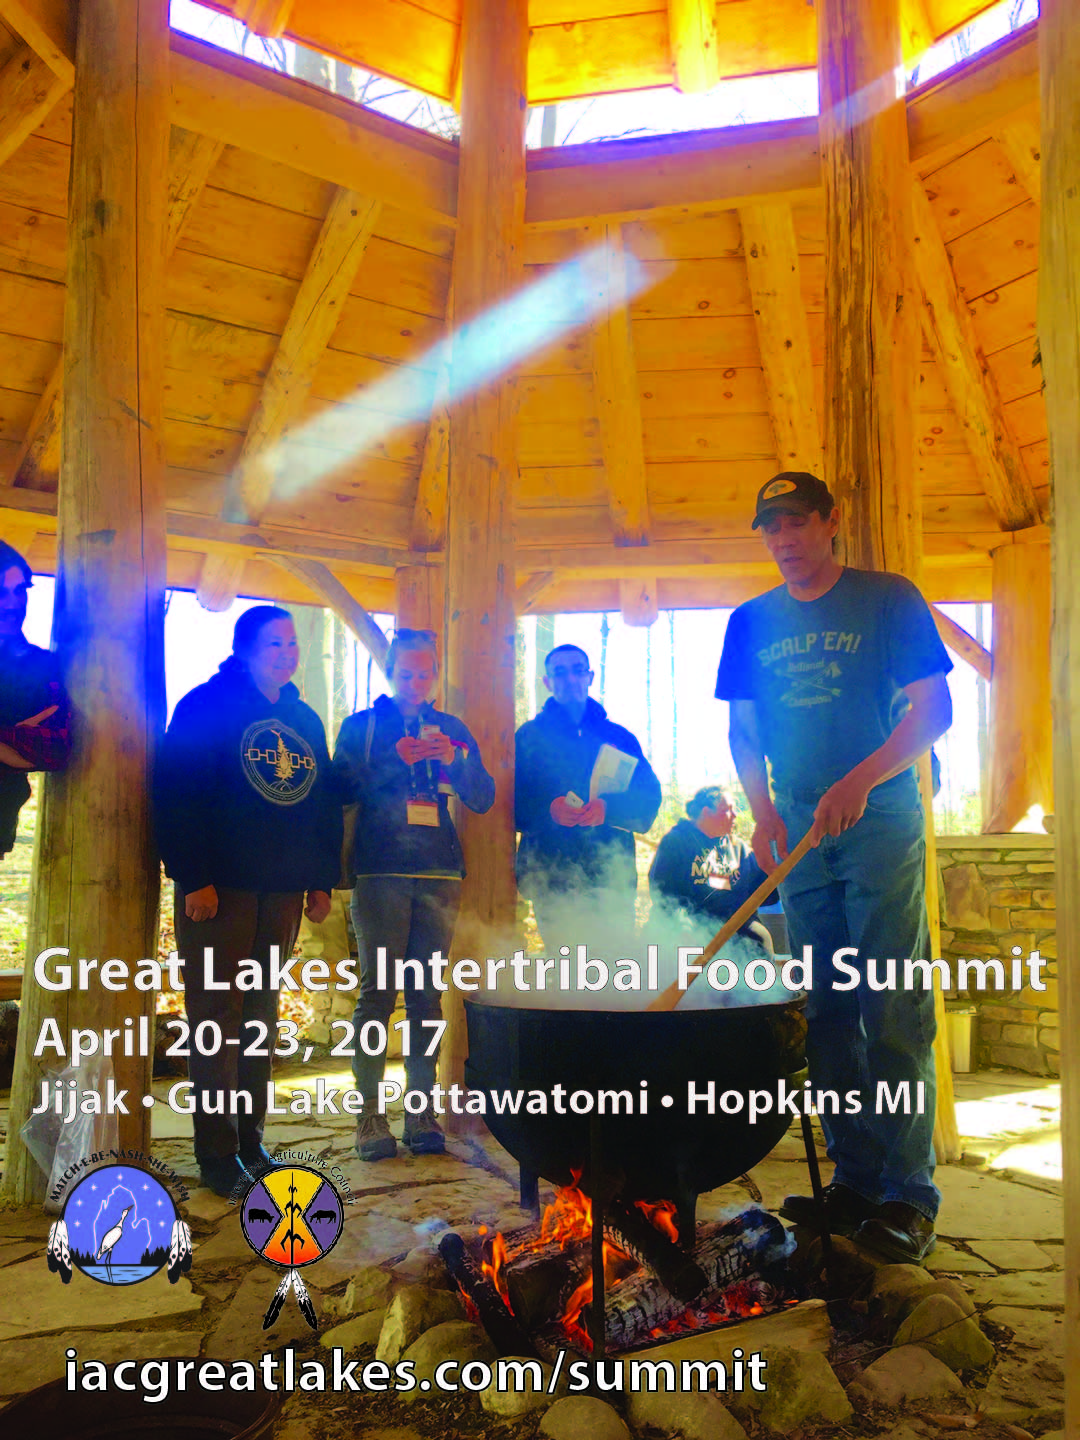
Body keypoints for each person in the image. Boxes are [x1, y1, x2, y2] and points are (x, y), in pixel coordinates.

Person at [715, 471, 953, 1264]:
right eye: (770, 527)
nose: (782, 539)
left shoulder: (888, 599)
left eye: (795, 522)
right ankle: (854, 1180)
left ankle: (908, 1195)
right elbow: (745, 731)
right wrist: (763, 812)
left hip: (878, 818)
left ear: (830, 521)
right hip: (798, 830)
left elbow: (934, 711)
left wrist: (861, 780)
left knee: (891, 1003)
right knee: (828, 1010)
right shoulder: (750, 622)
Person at [155, 606, 342, 1197]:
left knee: (260, 1017)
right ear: (243, 649)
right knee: (217, 1019)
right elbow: (176, 792)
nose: (286, 653)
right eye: (273, 644)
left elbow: (322, 803)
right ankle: (216, 1155)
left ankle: (249, 1140)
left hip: (282, 890)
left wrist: (320, 880)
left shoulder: (303, 718)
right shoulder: (205, 705)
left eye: (292, 643)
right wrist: (193, 876)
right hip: (220, 890)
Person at [334, 628, 494, 1162]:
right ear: (390, 672)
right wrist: (393, 759)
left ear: (436, 674)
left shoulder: (452, 729)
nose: (417, 681)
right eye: (407, 673)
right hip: (379, 871)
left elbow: (483, 797)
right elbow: (337, 788)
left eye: (427, 673)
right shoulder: (363, 727)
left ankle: (420, 1113)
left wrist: (458, 760)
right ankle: (369, 1117)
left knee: (426, 996)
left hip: (440, 872)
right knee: (378, 994)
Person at [515, 643, 661, 952]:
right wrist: (548, 810)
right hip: (550, 876)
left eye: (578, 670)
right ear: (547, 682)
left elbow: (649, 799)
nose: (570, 678)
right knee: (567, 966)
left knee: (612, 967)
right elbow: (508, 801)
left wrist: (609, 810)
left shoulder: (620, 737)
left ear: (590, 677)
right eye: (560, 672)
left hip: (611, 876)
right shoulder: (528, 737)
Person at [0, 540, 71, 855]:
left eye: (20, 591)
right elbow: (27, 748)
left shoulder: (43, 666)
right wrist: (12, 738)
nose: (13, 603)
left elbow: (56, 749)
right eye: (1, 592)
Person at [648, 784, 773, 958]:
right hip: (691, 920)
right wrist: (682, 924)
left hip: (734, 923)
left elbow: (765, 893)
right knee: (685, 939)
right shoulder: (676, 842)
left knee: (759, 937)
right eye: (727, 810)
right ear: (706, 812)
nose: (734, 815)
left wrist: (775, 865)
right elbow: (663, 893)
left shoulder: (739, 849)